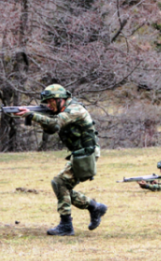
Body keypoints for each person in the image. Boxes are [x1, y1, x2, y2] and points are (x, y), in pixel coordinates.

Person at [14, 84, 107, 236]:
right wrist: (36, 116)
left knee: (60, 183)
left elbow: (56, 123)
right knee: (60, 185)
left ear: (61, 100)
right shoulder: (62, 110)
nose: (49, 105)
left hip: (87, 154)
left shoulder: (75, 109)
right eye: (47, 103)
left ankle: (67, 225)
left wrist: (31, 115)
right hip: (79, 153)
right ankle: (94, 207)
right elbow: (51, 129)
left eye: (51, 102)